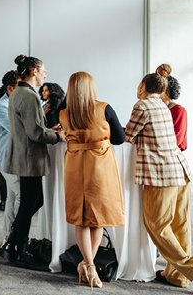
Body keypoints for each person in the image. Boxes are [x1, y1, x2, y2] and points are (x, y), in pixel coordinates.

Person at [125, 73, 193, 295]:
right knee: (180, 225)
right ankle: (177, 276)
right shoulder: (162, 106)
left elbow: (128, 135)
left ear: (142, 86)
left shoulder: (142, 105)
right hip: (180, 170)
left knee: (157, 224)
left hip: (162, 175)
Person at [58, 72, 125, 288]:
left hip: (74, 166)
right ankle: (89, 265)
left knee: (81, 216)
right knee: (98, 216)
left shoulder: (64, 113)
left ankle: (87, 265)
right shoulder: (104, 108)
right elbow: (119, 138)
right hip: (100, 166)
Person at [0, 55, 63, 269]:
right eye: (44, 70)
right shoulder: (29, 95)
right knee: (29, 203)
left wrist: (48, 131)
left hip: (24, 156)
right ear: (34, 71)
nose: (46, 74)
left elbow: (30, 128)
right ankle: (19, 248)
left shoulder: (19, 93)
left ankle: (12, 244)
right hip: (29, 157)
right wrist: (57, 136)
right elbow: (35, 132)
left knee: (32, 201)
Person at [0, 70, 21, 235]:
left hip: (14, 158)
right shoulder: (1, 107)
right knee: (21, 197)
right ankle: (16, 237)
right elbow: (17, 130)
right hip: (6, 158)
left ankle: (8, 237)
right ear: (10, 89)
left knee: (11, 198)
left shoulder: (14, 104)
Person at [156, 64, 187, 150]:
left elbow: (176, 140)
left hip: (172, 157)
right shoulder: (156, 110)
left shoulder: (179, 111)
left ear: (167, 92)